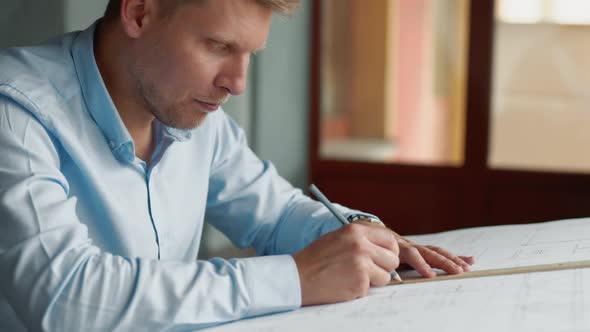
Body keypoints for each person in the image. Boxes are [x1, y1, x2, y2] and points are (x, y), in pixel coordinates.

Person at [0, 0, 475, 330]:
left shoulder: (195, 116)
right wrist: (296, 278)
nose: (237, 84)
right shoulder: (15, 111)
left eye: (250, 55)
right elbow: (64, 296)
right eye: (219, 47)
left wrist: (364, 235)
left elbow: (277, 213)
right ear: (140, 13)